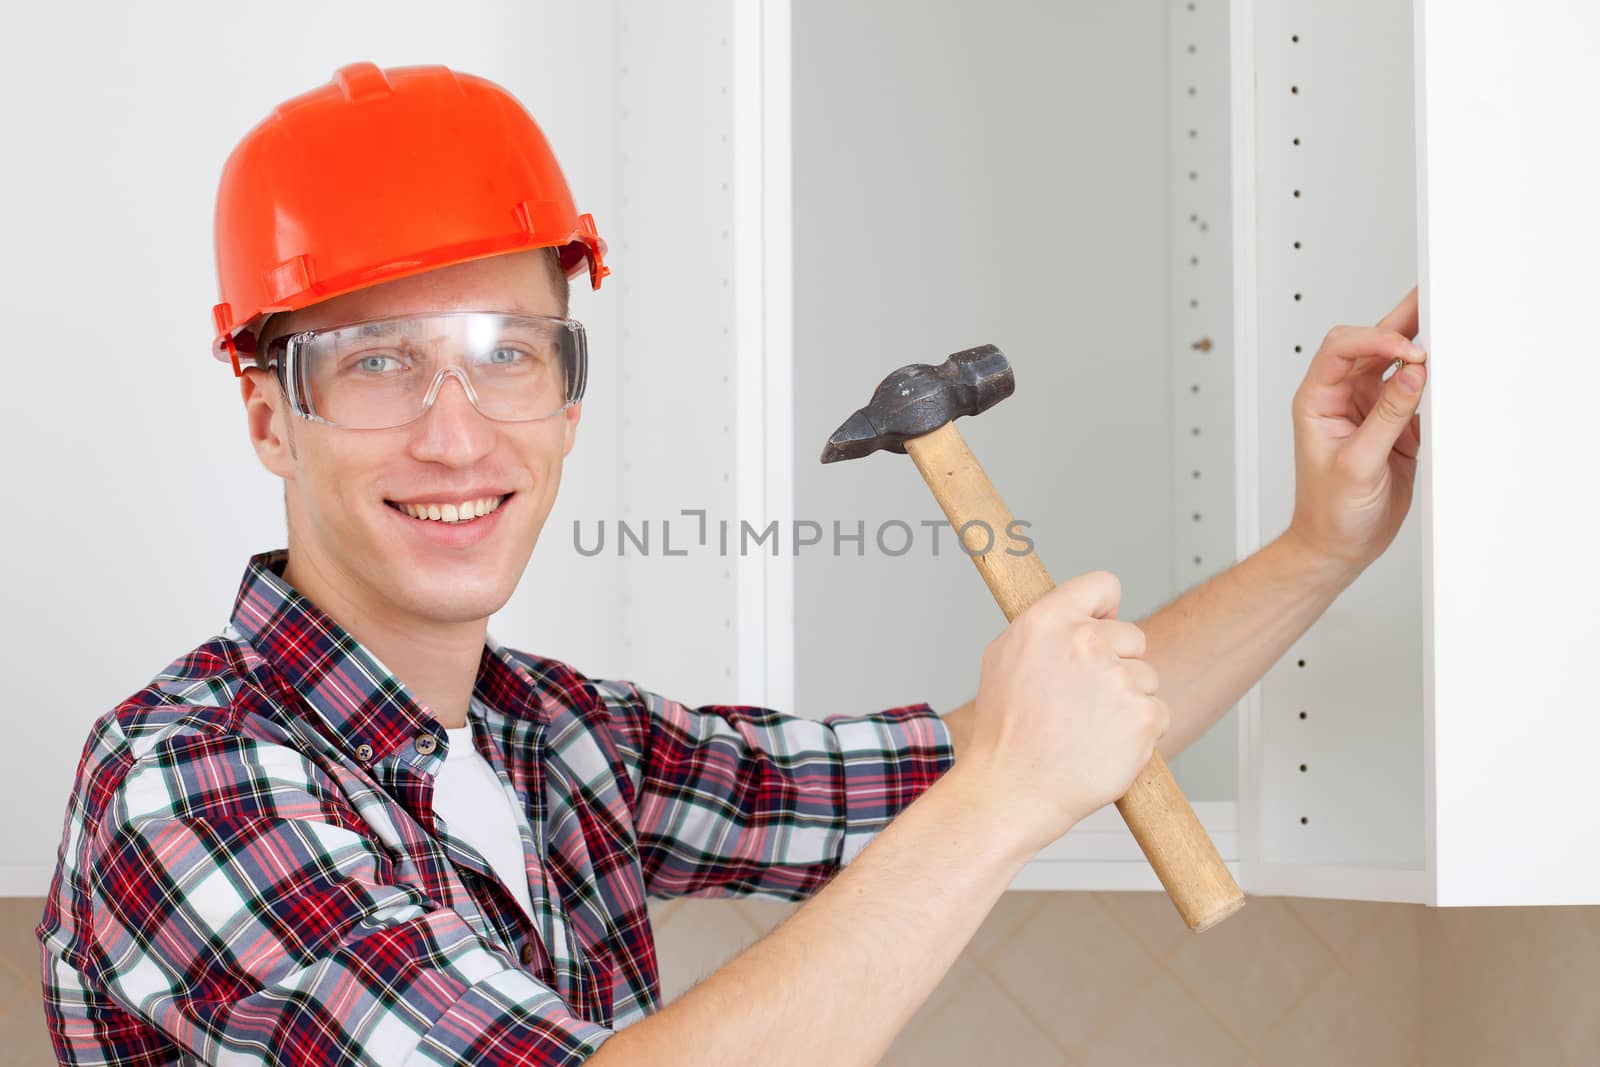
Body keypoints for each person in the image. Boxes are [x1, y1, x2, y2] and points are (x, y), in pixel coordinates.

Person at [36, 62, 1428, 1066]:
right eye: (377, 363)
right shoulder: (188, 777)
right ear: (272, 415)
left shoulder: (562, 743)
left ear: (569, 404)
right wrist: (1001, 797)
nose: (456, 434)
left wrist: (1321, 549)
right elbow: (1000, 780)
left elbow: (1024, 743)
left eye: (506, 356)